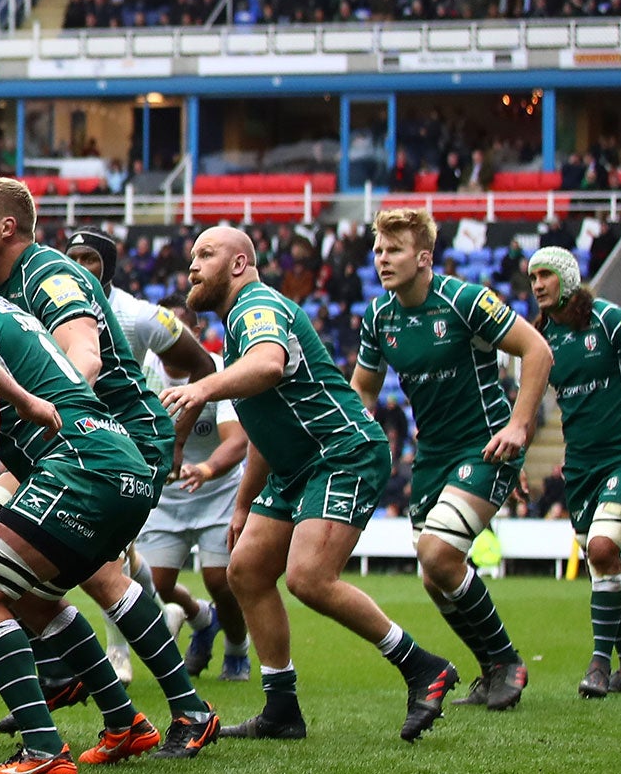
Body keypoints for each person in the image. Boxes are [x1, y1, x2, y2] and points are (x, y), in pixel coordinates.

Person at [0, 228, 211, 774]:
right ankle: (129, 720)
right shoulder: (3, 306)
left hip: (83, 462)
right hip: (103, 455)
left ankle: (41, 748)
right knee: (32, 598)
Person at [166, 226, 459, 743]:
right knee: (248, 571)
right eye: (191, 256)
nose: (193, 265)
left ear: (238, 265)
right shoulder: (238, 327)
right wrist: (242, 505)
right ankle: (281, 710)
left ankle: (422, 666)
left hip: (341, 451)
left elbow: (270, 365)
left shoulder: (254, 306)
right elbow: (262, 425)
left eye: (206, 254)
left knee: (308, 577)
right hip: (298, 464)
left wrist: (202, 388)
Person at [352, 208, 551, 712]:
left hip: (487, 444)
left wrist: (520, 427)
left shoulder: (464, 300)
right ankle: (491, 670)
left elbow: (538, 351)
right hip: (433, 455)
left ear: (424, 257)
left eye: (393, 250)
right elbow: (363, 393)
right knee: (433, 574)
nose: (382, 259)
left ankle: (507, 662)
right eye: (378, 250)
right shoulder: (378, 317)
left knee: (439, 554)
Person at [63, 228, 217, 678]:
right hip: (76, 443)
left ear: (108, 265)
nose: (77, 265)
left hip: (127, 447)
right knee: (117, 557)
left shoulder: (139, 314)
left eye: (88, 257)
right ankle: (170, 615)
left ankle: (117, 655)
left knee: (104, 550)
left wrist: (178, 438)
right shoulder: (51, 303)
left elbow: (203, 366)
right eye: (71, 256)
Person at [528, 247, 621, 695]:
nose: (537, 285)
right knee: (602, 561)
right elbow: (524, 403)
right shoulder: (538, 340)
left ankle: (599, 665)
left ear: (567, 278)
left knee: (604, 549)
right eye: (532, 278)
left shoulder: (614, 322)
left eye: (545, 275)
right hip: (582, 468)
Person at [137, 297, 250, 680]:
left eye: (181, 330)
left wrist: (206, 468)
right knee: (159, 586)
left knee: (222, 581)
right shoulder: (142, 369)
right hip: (165, 498)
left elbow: (237, 440)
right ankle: (202, 619)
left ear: (196, 332)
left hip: (217, 492)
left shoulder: (218, 372)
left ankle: (237, 648)